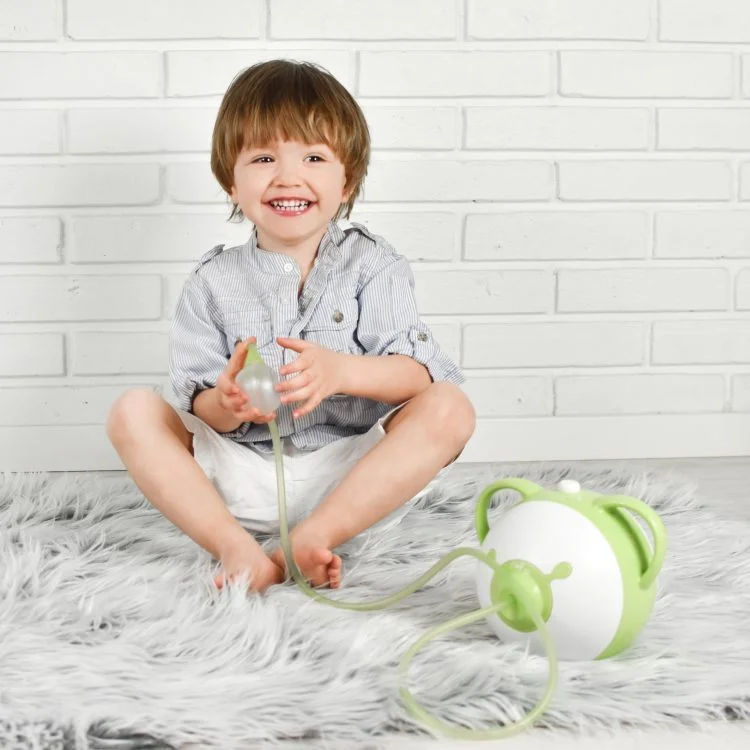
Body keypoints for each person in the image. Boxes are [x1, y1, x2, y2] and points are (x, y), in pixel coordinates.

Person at [106, 59, 476, 594]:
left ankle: (309, 539)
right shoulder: (213, 281)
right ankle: (237, 550)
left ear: (346, 181)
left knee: (451, 406)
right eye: (263, 157)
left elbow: (416, 378)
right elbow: (197, 404)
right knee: (132, 411)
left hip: (350, 477)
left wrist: (341, 371)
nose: (287, 175)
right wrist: (228, 403)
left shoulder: (374, 266)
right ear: (230, 182)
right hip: (241, 476)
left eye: (313, 156)